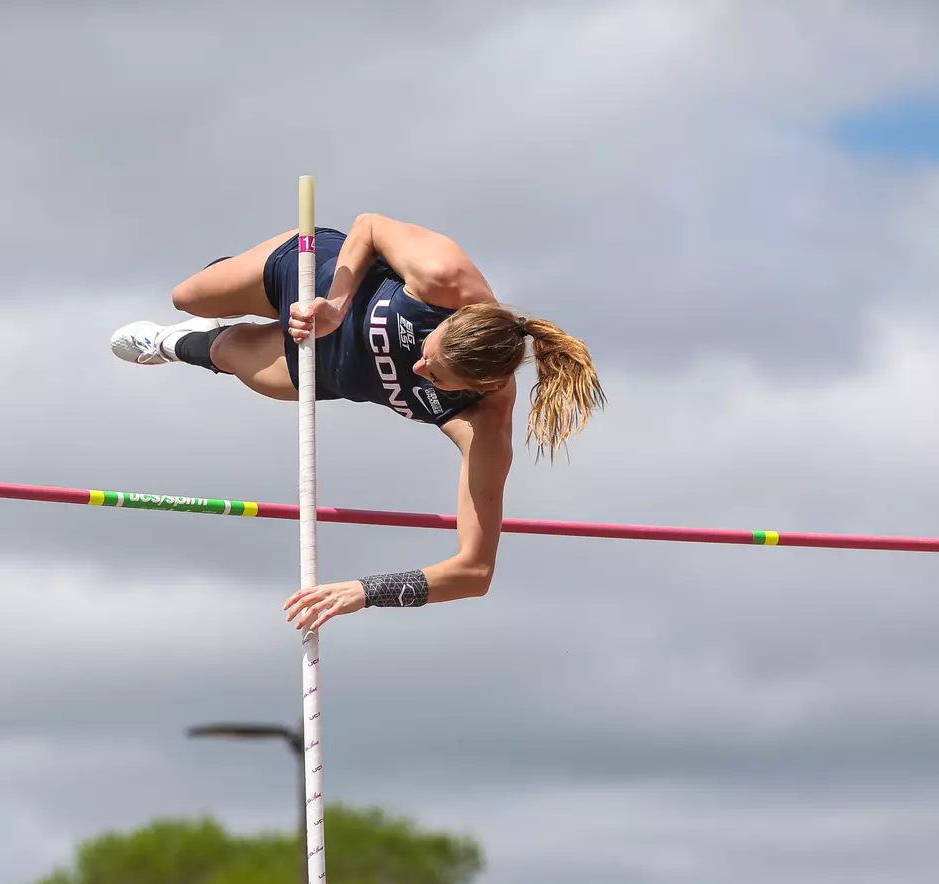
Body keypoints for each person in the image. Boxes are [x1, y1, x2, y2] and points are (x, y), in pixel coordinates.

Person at [108, 212, 605, 632]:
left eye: (436, 377)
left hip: (327, 371)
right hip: (316, 281)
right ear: (452, 318)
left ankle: (170, 344)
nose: (418, 368)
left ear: (481, 386)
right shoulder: (444, 276)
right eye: (428, 352)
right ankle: (229, 299)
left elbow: (474, 572)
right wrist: (334, 305)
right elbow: (368, 226)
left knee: (229, 350)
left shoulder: (485, 423)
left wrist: (365, 592)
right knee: (188, 296)